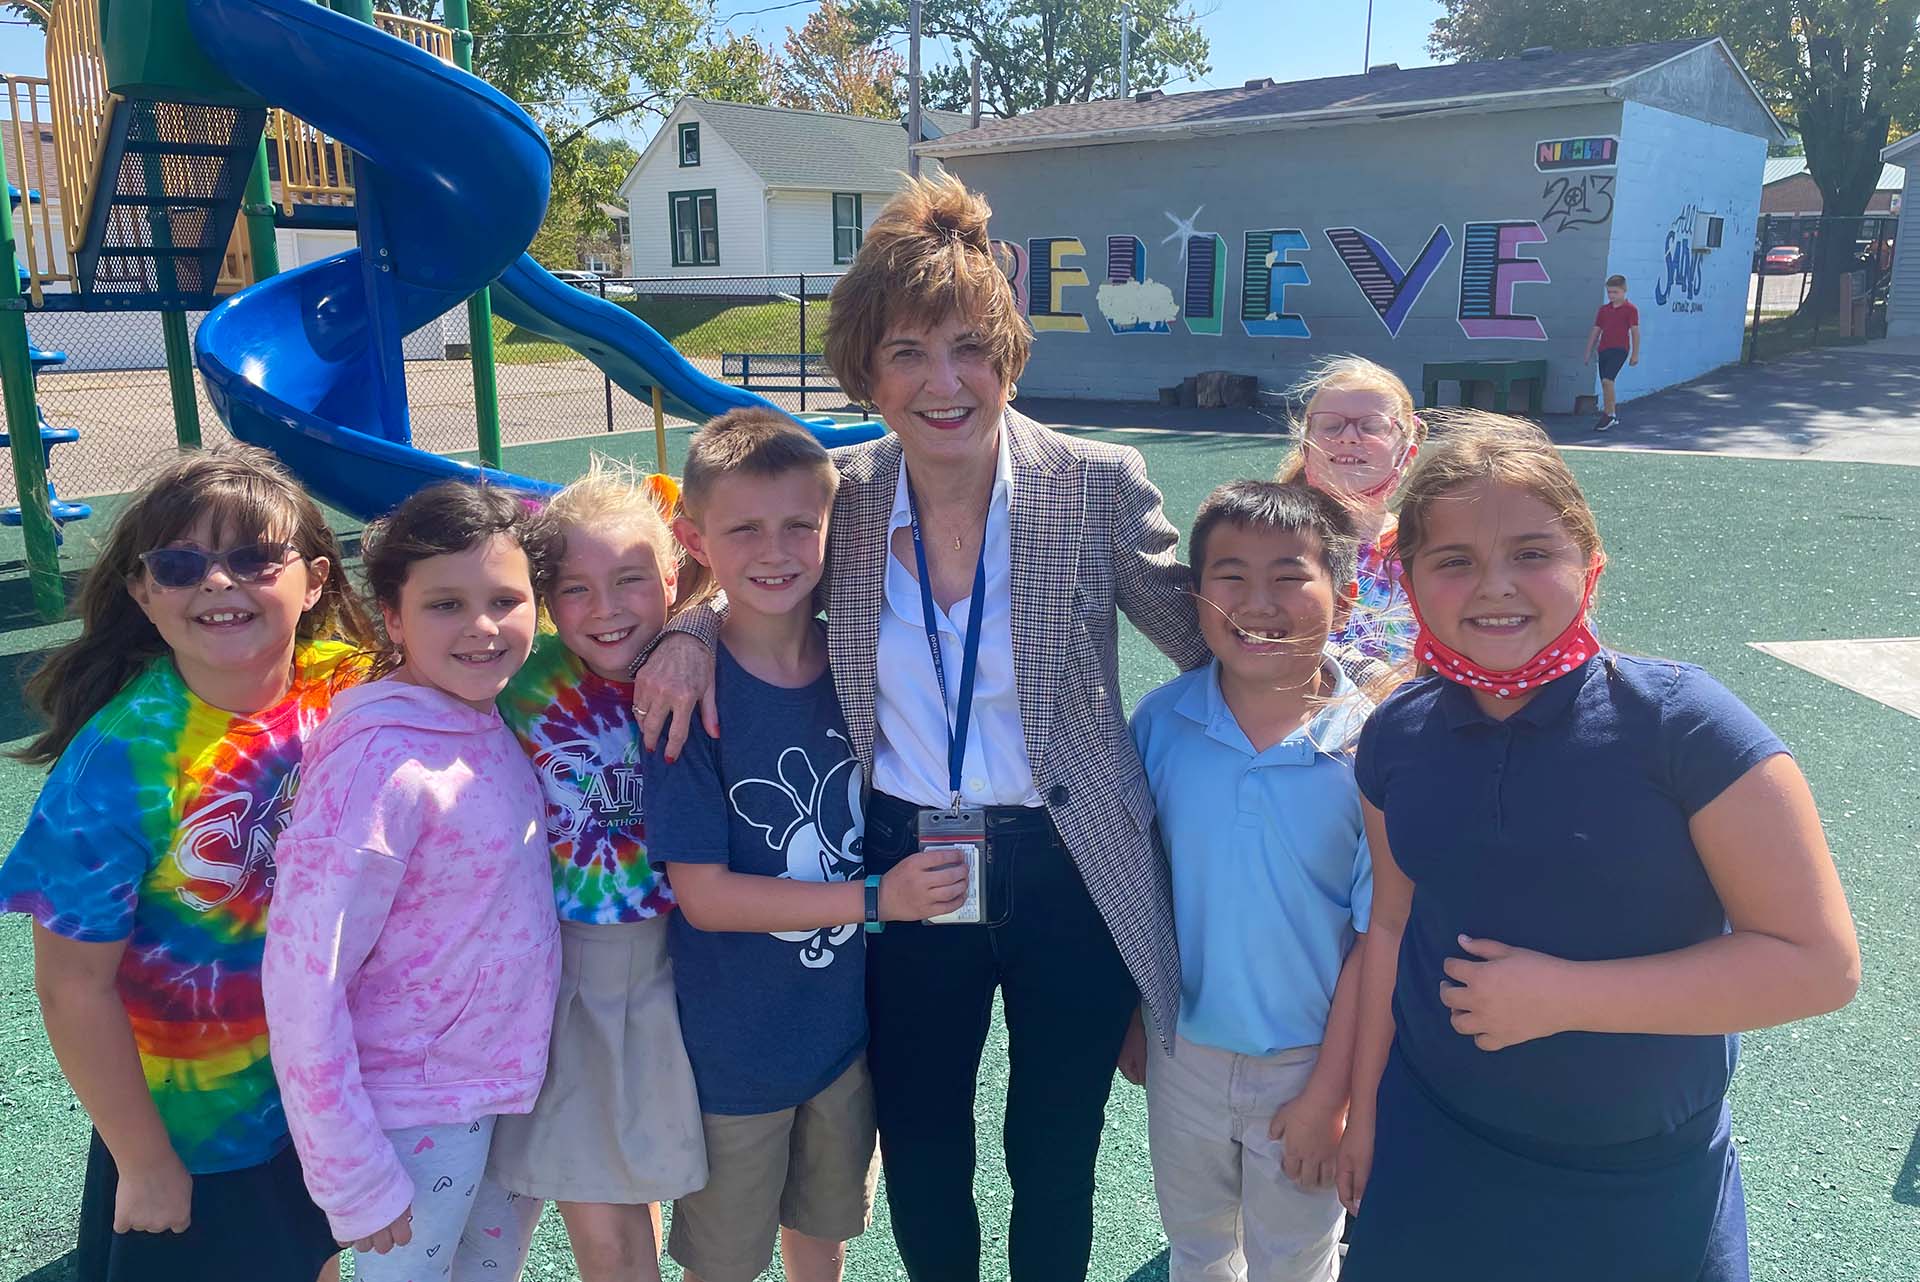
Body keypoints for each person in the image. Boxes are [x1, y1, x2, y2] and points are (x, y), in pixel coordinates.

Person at [632, 173, 1209, 1282]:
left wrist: (1345, 665)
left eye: (969, 349)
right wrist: (690, 630)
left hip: (1071, 862)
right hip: (906, 860)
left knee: (1055, 1148)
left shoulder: (1096, 484)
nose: (944, 384)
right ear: (867, 369)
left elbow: (1204, 636)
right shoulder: (841, 493)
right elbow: (754, 568)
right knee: (923, 1143)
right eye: (908, 353)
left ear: (1009, 357)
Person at [1336, 413, 1861, 1281]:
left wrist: (1567, 996)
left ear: (1590, 565)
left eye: (1532, 552)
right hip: (1434, 1147)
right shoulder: (1397, 732)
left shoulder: (1684, 725)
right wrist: (1366, 1112)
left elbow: (1819, 965)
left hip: (1639, 1181)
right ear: (1409, 579)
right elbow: (1391, 926)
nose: (1495, 586)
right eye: (1454, 560)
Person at [0, 446, 372, 1282]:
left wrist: (671, 635)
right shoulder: (118, 767)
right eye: (179, 565)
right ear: (142, 592)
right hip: (198, 1131)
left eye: (254, 558)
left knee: (317, 1258)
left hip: (328, 1091)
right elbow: (72, 988)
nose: (217, 582)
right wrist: (146, 1162)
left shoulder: (351, 689)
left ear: (315, 579)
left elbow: (503, 634)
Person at [641, 410, 968, 1282]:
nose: (775, 551)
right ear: (693, 539)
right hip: (733, 1054)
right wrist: (880, 900)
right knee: (725, 1262)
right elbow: (705, 897)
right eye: (743, 529)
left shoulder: (860, 658)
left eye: (798, 525)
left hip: (839, 1038)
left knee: (823, 1242)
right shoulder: (685, 698)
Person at [262, 481, 562, 1282]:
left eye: (505, 600)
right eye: (445, 605)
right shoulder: (376, 760)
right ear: (392, 617)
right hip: (410, 1110)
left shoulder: (489, 715)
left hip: (499, 1086)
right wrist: (350, 1172)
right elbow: (305, 973)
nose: (482, 627)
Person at [1127, 481, 1372, 1282]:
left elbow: (1378, 938)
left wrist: (1332, 1095)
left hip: (1310, 1060)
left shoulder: (1375, 746)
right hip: (1184, 1054)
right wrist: (1134, 1015)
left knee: (1294, 1260)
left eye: (1290, 576)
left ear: (1344, 597)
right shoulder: (1160, 723)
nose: (1258, 601)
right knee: (1197, 1247)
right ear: (1195, 596)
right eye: (1230, 576)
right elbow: (1139, 888)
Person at [489, 465, 708, 1282]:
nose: (607, 608)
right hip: (566, 969)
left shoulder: (704, 658)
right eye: (576, 589)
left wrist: (696, 630)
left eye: (630, 580)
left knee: (641, 1181)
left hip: (688, 959)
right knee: (598, 1204)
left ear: (673, 576)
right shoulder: (519, 680)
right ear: (546, 599)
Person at [1276, 355, 1425, 665]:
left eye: (1372, 427)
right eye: (1331, 426)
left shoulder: (1423, 548)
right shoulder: (1267, 538)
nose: (1348, 437)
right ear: (1306, 446)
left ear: (1406, 453)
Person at [1583, 274, 1640, 432]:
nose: (1612, 295)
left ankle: (1610, 415)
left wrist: (1635, 354)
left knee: (1608, 380)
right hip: (1604, 349)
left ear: (1624, 290)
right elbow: (1596, 331)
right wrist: (1588, 351)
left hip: (1620, 349)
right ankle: (1610, 413)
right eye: (1609, 292)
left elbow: (1635, 332)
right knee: (1605, 382)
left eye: (1615, 292)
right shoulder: (1604, 310)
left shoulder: (1630, 309)